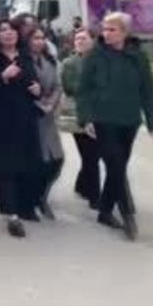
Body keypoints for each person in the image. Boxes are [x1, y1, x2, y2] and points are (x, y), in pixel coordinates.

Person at [78, 12, 153, 240]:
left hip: (129, 121)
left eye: (112, 29)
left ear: (124, 32)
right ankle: (127, 215)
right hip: (103, 121)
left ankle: (104, 210)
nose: (106, 33)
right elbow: (84, 90)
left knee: (119, 166)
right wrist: (86, 118)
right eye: (104, 29)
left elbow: (148, 90)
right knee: (115, 165)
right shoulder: (95, 55)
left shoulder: (138, 57)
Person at [0, 19, 43, 238]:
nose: (9, 33)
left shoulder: (25, 56)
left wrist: (37, 89)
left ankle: (24, 206)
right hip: (1, 119)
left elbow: (33, 83)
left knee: (25, 164)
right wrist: (3, 77)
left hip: (25, 117)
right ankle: (11, 215)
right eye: (3, 30)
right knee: (5, 167)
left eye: (12, 29)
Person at [27, 26, 64, 220]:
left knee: (56, 160)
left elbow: (58, 86)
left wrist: (50, 103)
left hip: (48, 115)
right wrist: (40, 101)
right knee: (38, 160)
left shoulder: (50, 61)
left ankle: (42, 196)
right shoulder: (24, 61)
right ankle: (32, 199)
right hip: (31, 115)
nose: (40, 41)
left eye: (42, 38)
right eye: (35, 38)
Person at [61, 29, 100, 209]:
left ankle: (82, 185)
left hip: (100, 114)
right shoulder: (69, 63)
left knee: (93, 155)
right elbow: (69, 87)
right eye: (77, 39)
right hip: (78, 115)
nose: (79, 41)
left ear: (93, 41)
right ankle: (95, 197)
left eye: (84, 38)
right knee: (90, 155)